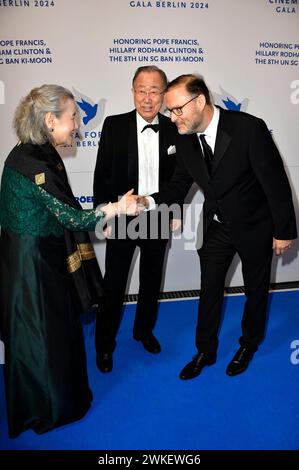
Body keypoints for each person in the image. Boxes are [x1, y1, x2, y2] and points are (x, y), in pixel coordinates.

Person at [0, 84, 138, 438]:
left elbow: (62, 209)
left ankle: (59, 398)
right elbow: (70, 217)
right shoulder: (33, 162)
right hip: (31, 266)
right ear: (50, 120)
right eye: (73, 116)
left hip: (43, 255)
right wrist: (116, 208)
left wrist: (100, 221)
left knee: (56, 332)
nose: (78, 124)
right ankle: (49, 408)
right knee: (44, 336)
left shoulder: (41, 152)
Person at [140, 74, 297, 380]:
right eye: (169, 111)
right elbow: (177, 187)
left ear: (199, 101)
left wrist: (284, 230)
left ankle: (248, 345)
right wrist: (144, 201)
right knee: (209, 290)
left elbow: (275, 182)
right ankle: (205, 350)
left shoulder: (248, 128)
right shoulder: (184, 139)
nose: (172, 118)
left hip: (255, 226)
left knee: (255, 290)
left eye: (177, 109)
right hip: (215, 226)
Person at [93, 66, 184, 373]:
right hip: (123, 215)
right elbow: (101, 173)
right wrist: (104, 214)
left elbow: (180, 178)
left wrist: (174, 209)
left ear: (164, 94)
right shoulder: (114, 125)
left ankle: (143, 331)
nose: (147, 99)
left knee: (151, 280)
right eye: (141, 91)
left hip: (158, 215)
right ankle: (104, 345)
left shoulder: (174, 127)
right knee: (114, 284)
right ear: (132, 91)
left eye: (155, 91)